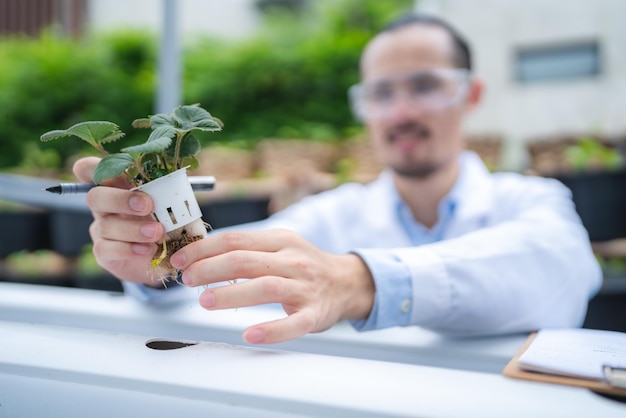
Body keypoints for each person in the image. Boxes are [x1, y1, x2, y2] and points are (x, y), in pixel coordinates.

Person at [73, 12, 602, 345]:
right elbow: (226, 286)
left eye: (425, 85)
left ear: (472, 94)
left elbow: (559, 269)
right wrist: (156, 271)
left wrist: (358, 282)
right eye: (382, 93)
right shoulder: (332, 215)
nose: (401, 112)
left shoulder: (531, 200)